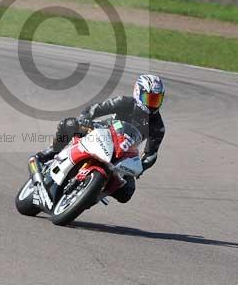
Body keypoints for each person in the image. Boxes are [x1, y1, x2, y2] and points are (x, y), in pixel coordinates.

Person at [32, 74, 166, 203]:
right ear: (138, 93)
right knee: (69, 124)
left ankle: (92, 193)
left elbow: (151, 154)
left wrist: (140, 167)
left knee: (127, 192)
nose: (153, 104)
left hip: (123, 153)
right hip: (102, 132)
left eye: (157, 100)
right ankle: (53, 151)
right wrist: (85, 120)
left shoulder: (158, 126)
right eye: (149, 99)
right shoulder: (124, 102)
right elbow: (94, 110)